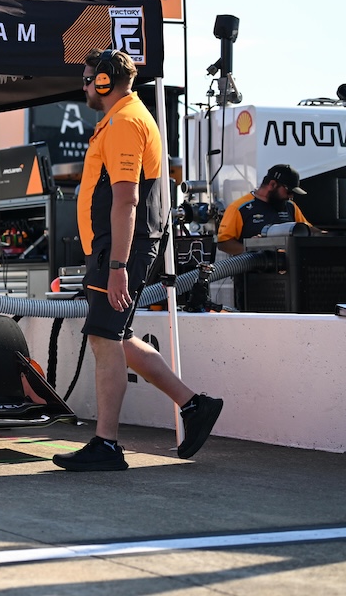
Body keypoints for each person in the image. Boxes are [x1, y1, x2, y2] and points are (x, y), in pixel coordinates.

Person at [53, 49, 223, 472]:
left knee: (104, 338)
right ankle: (195, 405)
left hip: (119, 249)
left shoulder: (126, 121)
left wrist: (116, 267)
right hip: (114, 247)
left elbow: (127, 199)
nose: (86, 85)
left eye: (90, 78)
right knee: (119, 337)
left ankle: (106, 444)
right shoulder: (119, 118)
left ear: (107, 82)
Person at [216, 164, 311, 255]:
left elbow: (307, 230)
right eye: (289, 191)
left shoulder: (291, 206)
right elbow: (224, 243)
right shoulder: (239, 208)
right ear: (272, 184)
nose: (290, 196)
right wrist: (252, 249)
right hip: (252, 268)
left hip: (288, 268)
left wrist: (323, 234)